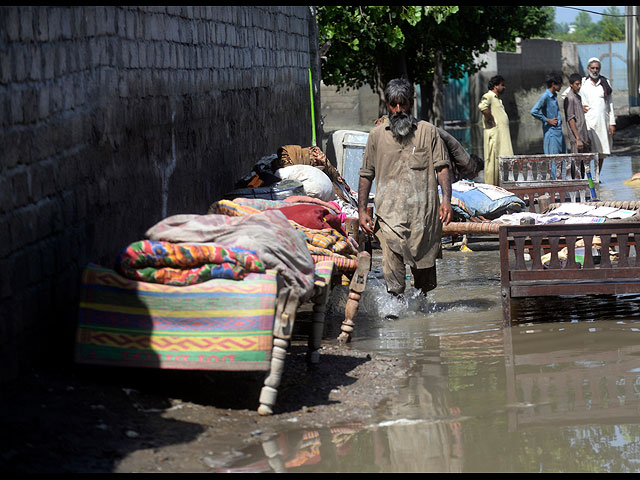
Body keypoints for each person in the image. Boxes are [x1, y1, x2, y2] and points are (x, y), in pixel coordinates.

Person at [358, 78, 452, 299]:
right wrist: (362, 211)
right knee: (394, 286)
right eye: (394, 105)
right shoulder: (376, 136)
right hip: (389, 218)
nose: (399, 110)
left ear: (411, 103)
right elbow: (365, 175)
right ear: (388, 105)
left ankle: (422, 324)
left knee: (424, 289)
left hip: (423, 219)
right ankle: (395, 320)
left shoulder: (428, 132)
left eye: (403, 104)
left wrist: (446, 199)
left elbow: (442, 168)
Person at [580, 57, 615, 175]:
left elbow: (610, 104)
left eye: (597, 68)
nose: (595, 70)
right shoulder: (583, 83)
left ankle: (596, 176)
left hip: (603, 122)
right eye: (593, 68)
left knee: (602, 152)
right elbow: (567, 96)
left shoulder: (605, 83)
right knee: (589, 151)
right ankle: (587, 177)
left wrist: (612, 123)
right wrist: (580, 107)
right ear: (588, 69)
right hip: (588, 122)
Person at [478, 75, 513, 186]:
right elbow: (483, 107)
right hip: (494, 137)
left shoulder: (497, 99)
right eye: (502, 85)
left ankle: (500, 186)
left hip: (501, 138)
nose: (504, 87)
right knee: (491, 163)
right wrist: (490, 118)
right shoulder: (488, 96)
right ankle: (491, 187)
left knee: (501, 163)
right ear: (495, 86)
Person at [530, 72, 566, 155]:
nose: (561, 86)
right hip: (551, 133)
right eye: (559, 84)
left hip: (558, 131)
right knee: (553, 159)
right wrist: (547, 120)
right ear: (553, 84)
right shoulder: (545, 96)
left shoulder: (554, 96)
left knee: (563, 158)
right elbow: (534, 111)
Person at [563, 73, 591, 154]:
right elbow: (571, 119)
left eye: (580, 84)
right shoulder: (570, 98)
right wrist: (578, 138)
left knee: (585, 164)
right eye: (577, 84)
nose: (579, 86)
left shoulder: (578, 97)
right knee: (576, 164)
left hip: (583, 135)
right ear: (571, 85)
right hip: (576, 138)